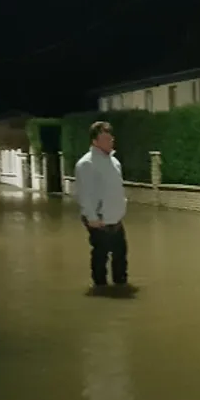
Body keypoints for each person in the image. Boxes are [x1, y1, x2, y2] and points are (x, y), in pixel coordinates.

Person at [75, 121, 129, 292]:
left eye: (110, 138)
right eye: (105, 138)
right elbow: (85, 194)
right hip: (99, 220)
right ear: (95, 141)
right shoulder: (86, 164)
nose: (110, 141)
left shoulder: (114, 162)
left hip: (116, 218)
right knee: (101, 256)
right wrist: (92, 218)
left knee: (120, 255)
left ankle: (121, 285)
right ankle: (101, 288)